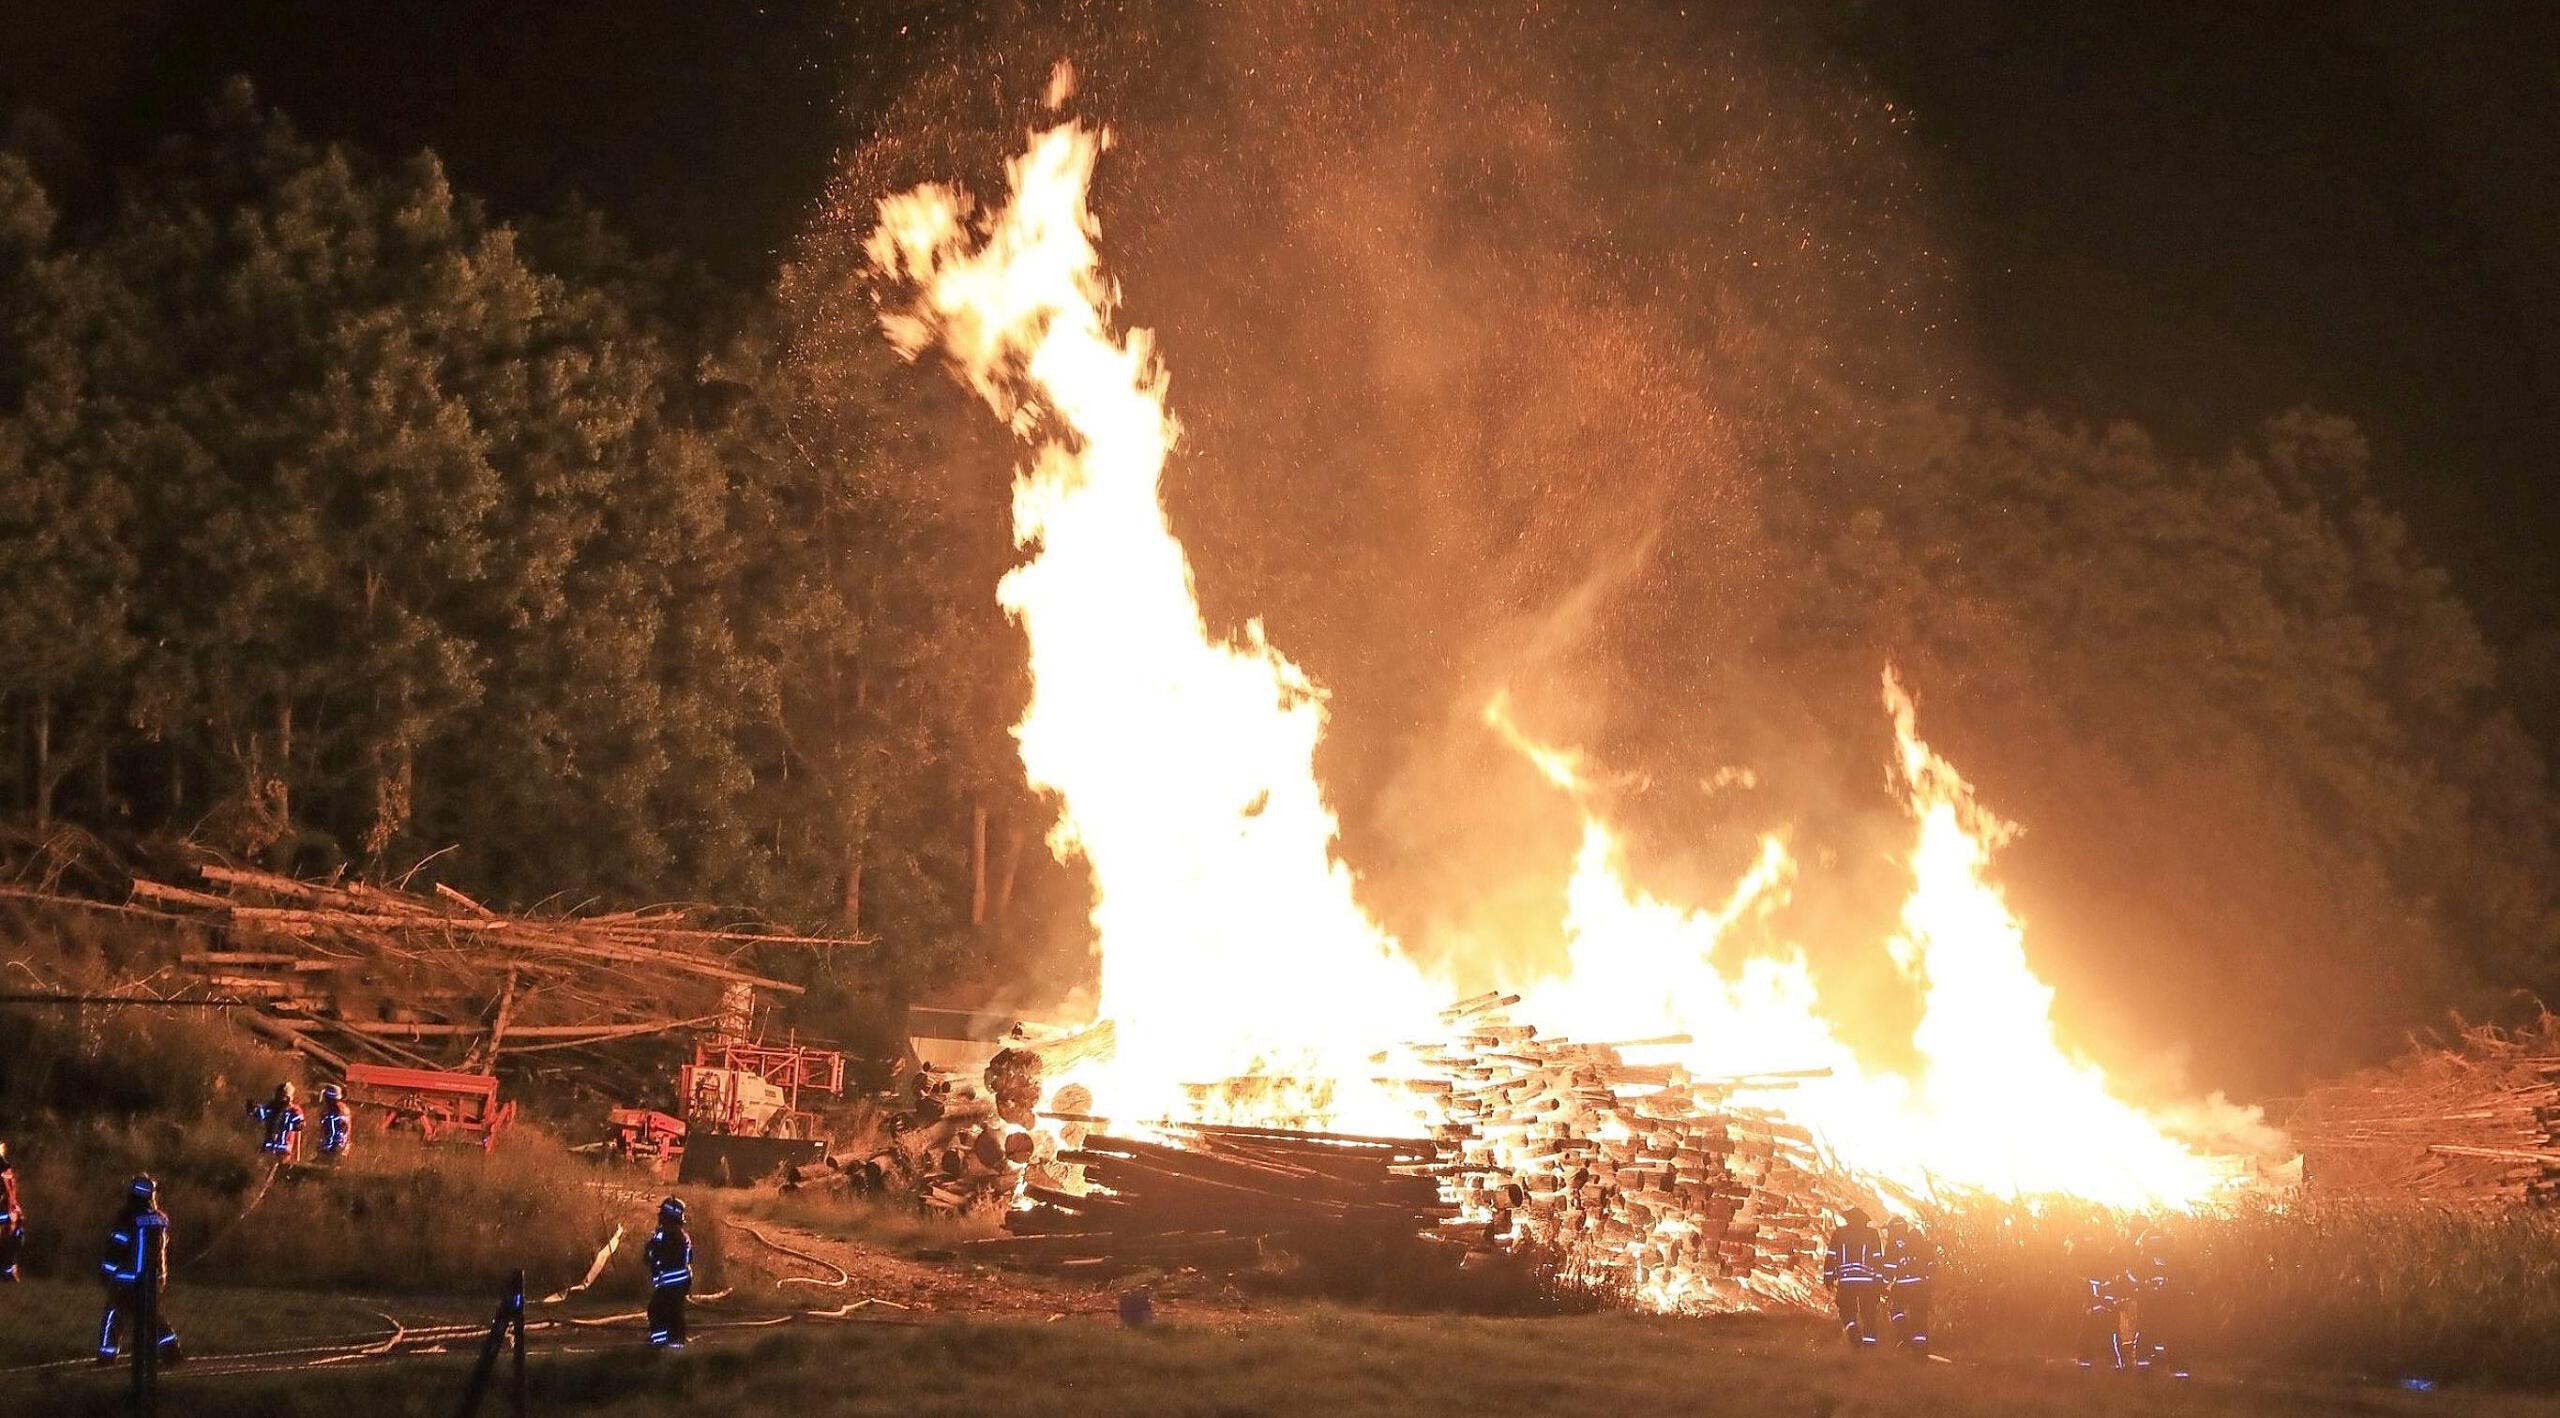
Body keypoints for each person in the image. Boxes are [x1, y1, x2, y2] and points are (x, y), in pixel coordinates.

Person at [97, 1174, 181, 1365]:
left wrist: (106, 1272)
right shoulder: (159, 1220)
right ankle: (171, 1352)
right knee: (153, 1318)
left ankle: (106, 1355)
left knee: (114, 1316)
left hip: (127, 1280)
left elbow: (116, 1246)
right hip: (153, 1279)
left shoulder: (127, 1219)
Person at [1823, 1204, 1886, 1350]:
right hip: (1868, 1281)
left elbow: (1831, 1256)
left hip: (1847, 1280)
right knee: (1868, 1314)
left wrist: (1828, 1277)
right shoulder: (1872, 1234)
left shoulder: (1839, 1234)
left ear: (1848, 1219)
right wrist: (1879, 1281)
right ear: (1864, 1221)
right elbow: (1877, 1258)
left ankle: (1854, 1333)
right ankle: (1869, 1347)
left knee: (1846, 1311)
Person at [1881, 1215, 1935, 1356]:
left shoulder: (1893, 1246)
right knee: (1919, 1319)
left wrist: (1883, 1284)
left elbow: (1888, 1268)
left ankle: (1908, 1338)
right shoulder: (1918, 1241)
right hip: (1922, 1288)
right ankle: (1921, 1353)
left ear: (1894, 1229)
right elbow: (1931, 1263)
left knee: (1896, 1312)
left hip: (1903, 1288)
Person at [644, 1196, 692, 1350]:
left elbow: (660, 1257)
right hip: (672, 1282)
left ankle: (667, 1345)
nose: (659, 1217)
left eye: (662, 1214)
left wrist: (653, 1253)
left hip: (673, 1283)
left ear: (669, 1217)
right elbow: (651, 1254)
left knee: (659, 1311)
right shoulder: (667, 1234)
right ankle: (668, 1344)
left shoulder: (674, 1237)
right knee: (666, 1311)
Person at [247, 1081, 305, 1162]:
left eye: (281, 1096)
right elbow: (263, 1114)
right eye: (277, 1095)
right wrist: (255, 1109)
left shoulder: (294, 1110)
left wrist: (296, 1157)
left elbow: (299, 1125)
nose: (277, 1098)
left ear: (288, 1098)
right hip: (270, 1145)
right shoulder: (272, 1107)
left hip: (284, 1148)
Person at [0, 1139, 23, 1282]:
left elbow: (10, 1188)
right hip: (4, 1208)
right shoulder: (3, 1165)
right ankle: (8, 1271)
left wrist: (14, 1206)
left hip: (5, 1208)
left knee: (11, 1237)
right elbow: (9, 1189)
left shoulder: (4, 1164)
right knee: (7, 1239)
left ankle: (8, 1271)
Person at [317, 1084, 355, 1162]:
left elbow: (332, 1131)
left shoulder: (334, 1111)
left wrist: (326, 1148)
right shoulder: (344, 1109)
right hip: (342, 1149)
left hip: (334, 1150)